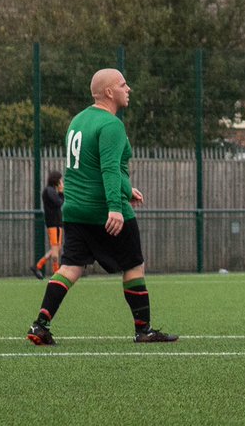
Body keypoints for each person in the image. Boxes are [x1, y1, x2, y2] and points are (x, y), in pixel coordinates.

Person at [25, 69, 177, 346]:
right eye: (123, 84)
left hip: (74, 210)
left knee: (70, 268)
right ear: (109, 92)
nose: (128, 89)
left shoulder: (78, 120)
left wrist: (126, 189)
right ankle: (143, 330)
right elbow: (108, 168)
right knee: (134, 265)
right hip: (103, 209)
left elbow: (90, 166)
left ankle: (40, 325)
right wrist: (115, 207)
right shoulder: (111, 125)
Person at [31, 171, 64, 279]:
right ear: (56, 181)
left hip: (56, 223)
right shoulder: (49, 191)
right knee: (55, 249)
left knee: (57, 248)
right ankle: (56, 273)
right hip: (54, 223)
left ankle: (38, 266)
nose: (62, 182)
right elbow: (59, 203)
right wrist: (61, 192)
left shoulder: (51, 191)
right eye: (60, 180)